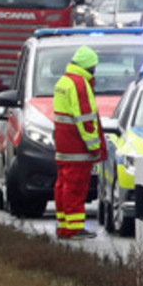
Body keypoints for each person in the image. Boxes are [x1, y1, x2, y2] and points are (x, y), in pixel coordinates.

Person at [53, 45, 105, 240]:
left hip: (64, 146)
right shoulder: (79, 84)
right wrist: (94, 146)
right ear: (89, 66)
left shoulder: (64, 81)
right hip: (77, 147)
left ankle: (65, 225)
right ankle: (74, 228)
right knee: (75, 187)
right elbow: (85, 118)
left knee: (63, 185)